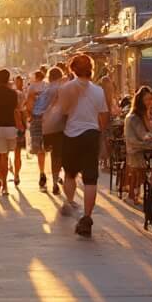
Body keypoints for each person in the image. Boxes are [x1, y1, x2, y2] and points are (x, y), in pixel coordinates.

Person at [56, 53, 109, 237]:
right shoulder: (98, 91)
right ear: (91, 70)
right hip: (91, 134)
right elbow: (103, 116)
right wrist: (101, 137)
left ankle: (70, 202)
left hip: (71, 134)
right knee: (90, 178)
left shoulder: (66, 88)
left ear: (72, 69)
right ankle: (87, 216)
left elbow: (62, 112)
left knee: (70, 173)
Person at [123, 86, 152, 204]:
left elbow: (149, 131)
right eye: (147, 99)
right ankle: (133, 195)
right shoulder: (135, 117)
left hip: (137, 146)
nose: (150, 102)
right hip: (136, 148)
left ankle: (134, 195)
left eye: (151, 99)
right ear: (141, 101)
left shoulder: (142, 114)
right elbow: (144, 135)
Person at [0, 69, 23, 195]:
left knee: (1, 156)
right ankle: (6, 181)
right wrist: (20, 125)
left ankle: (4, 184)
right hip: (11, 127)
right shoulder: (13, 93)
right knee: (7, 155)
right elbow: (16, 111)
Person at [37, 66, 65, 195]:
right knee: (58, 156)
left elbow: (38, 110)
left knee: (50, 152)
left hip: (46, 128)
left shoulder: (45, 90)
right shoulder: (63, 89)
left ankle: (50, 178)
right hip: (60, 126)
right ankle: (55, 181)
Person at [26, 68, 49, 189]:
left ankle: (42, 172)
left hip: (36, 118)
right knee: (48, 147)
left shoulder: (32, 87)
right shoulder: (48, 86)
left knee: (39, 149)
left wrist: (29, 115)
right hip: (48, 119)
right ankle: (56, 175)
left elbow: (29, 104)